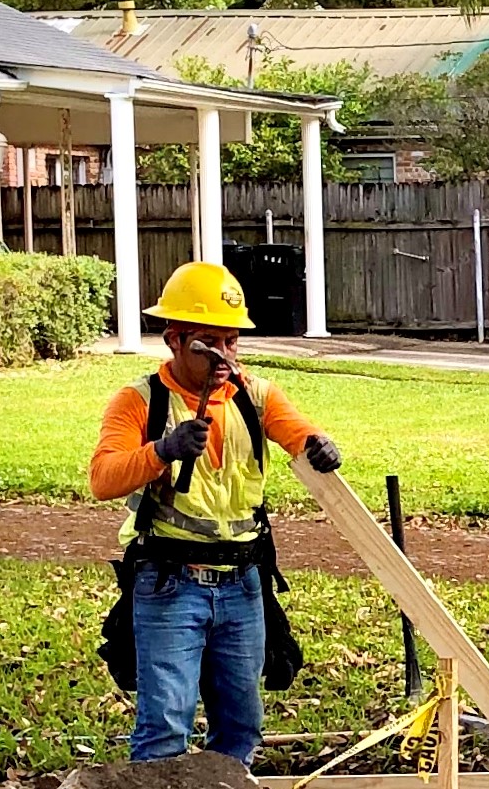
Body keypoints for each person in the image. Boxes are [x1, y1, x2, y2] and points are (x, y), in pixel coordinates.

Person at [88, 260, 340, 763]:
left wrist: (319, 445)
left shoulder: (255, 396)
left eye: (231, 341)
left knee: (240, 726)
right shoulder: (140, 401)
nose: (223, 355)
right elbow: (103, 478)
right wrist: (162, 450)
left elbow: (300, 435)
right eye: (208, 342)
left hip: (243, 584)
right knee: (164, 725)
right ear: (174, 339)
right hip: (169, 583)